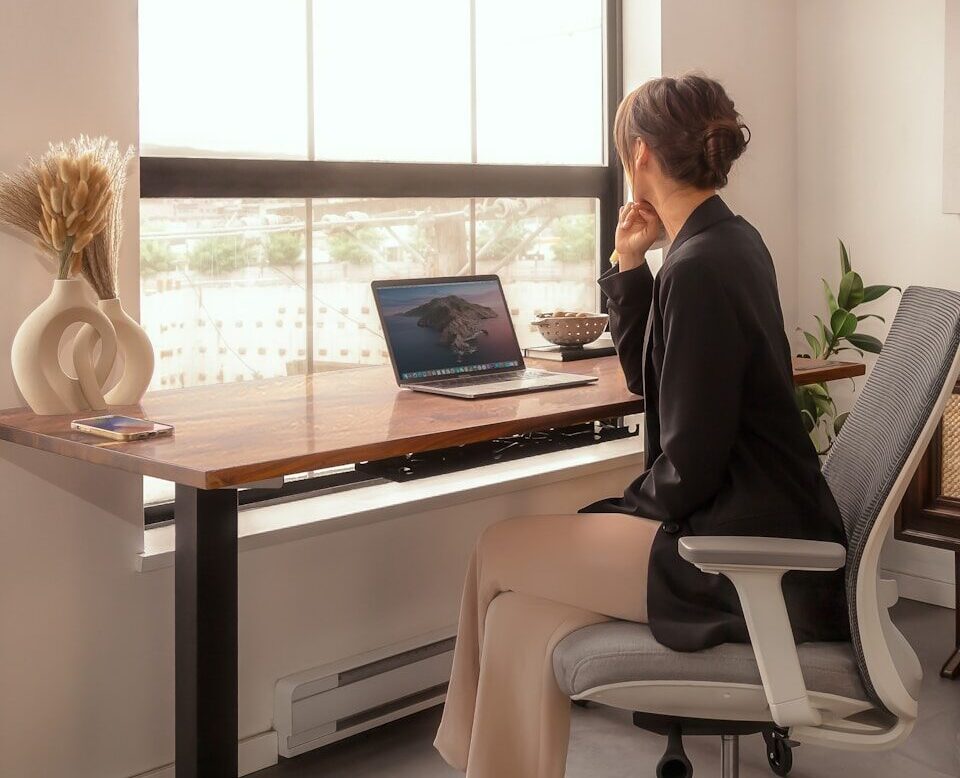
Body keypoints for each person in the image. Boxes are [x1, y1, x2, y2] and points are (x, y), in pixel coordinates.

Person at [434, 73, 849, 778]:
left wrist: (619, 516)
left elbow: (691, 460)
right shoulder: (723, 243)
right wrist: (632, 266)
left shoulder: (703, 266)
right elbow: (659, 383)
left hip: (733, 550)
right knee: (515, 621)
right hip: (747, 518)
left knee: (496, 548)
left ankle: (455, 756)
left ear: (641, 157)